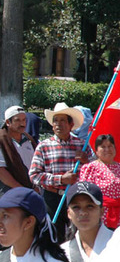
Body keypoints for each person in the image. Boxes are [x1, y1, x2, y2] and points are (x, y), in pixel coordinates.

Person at [29, 102, 92, 243]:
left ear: (71, 124)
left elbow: (95, 171)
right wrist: (61, 179)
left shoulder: (82, 145)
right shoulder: (44, 146)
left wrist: (87, 161)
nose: (58, 124)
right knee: (52, 237)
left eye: (62, 120)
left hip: (76, 198)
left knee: (76, 237)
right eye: (55, 121)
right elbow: (34, 175)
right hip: (52, 199)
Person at [0, 105, 38, 251]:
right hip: (7, 194)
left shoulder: (28, 141)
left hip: (27, 193)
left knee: (25, 230)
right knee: (4, 231)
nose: (22, 123)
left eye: (24, 120)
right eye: (17, 120)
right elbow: (0, 171)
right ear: (8, 122)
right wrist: (20, 189)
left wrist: (34, 187)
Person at [79, 134, 120, 229]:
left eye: (110, 146)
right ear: (96, 151)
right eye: (103, 147)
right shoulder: (90, 168)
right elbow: (85, 192)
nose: (107, 149)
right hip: (100, 214)